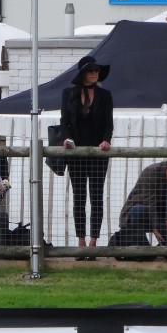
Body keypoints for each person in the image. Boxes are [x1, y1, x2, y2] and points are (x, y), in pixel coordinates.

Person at [58, 55, 114, 255]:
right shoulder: (69, 93)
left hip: (98, 152)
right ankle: (80, 240)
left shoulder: (105, 95)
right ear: (83, 73)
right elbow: (65, 121)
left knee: (96, 197)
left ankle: (93, 242)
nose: (94, 74)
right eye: (91, 71)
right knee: (79, 197)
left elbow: (108, 123)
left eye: (97, 71)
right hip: (76, 152)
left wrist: (106, 140)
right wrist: (66, 139)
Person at [109, 158, 167, 251]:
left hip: (163, 213)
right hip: (142, 213)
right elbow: (150, 204)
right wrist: (155, 228)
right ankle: (133, 245)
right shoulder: (151, 172)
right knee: (138, 210)